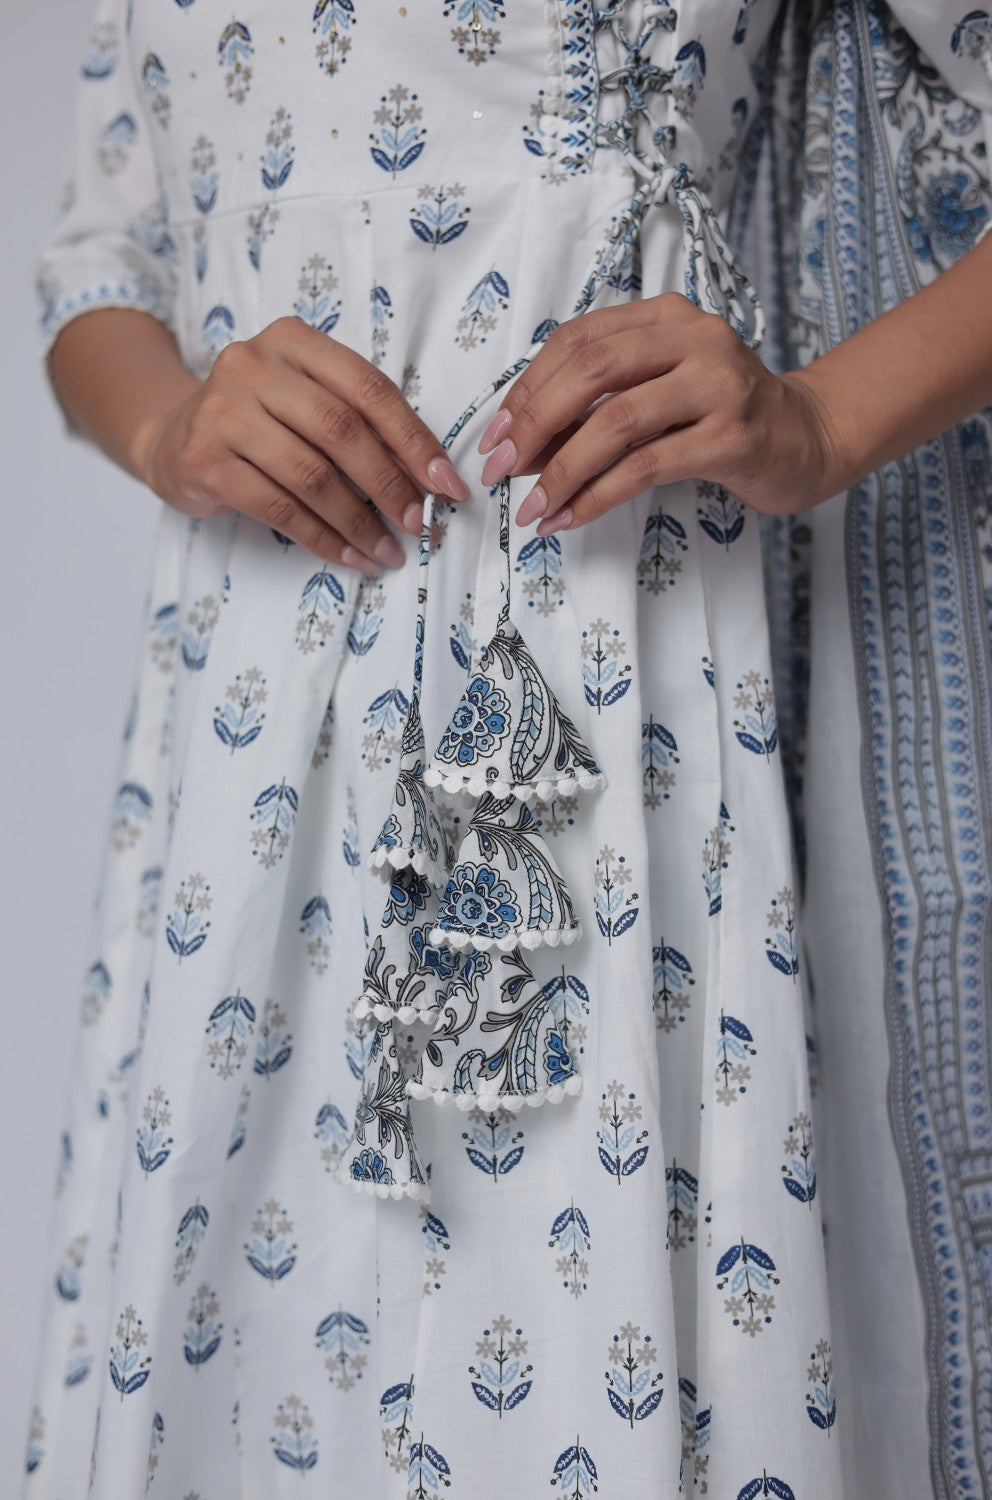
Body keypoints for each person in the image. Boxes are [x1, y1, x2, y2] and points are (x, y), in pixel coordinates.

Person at [20, 0, 992, 1495]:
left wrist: (822, 419)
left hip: (603, 727)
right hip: (238, 768)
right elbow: (103, 255)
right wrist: (169, 428)